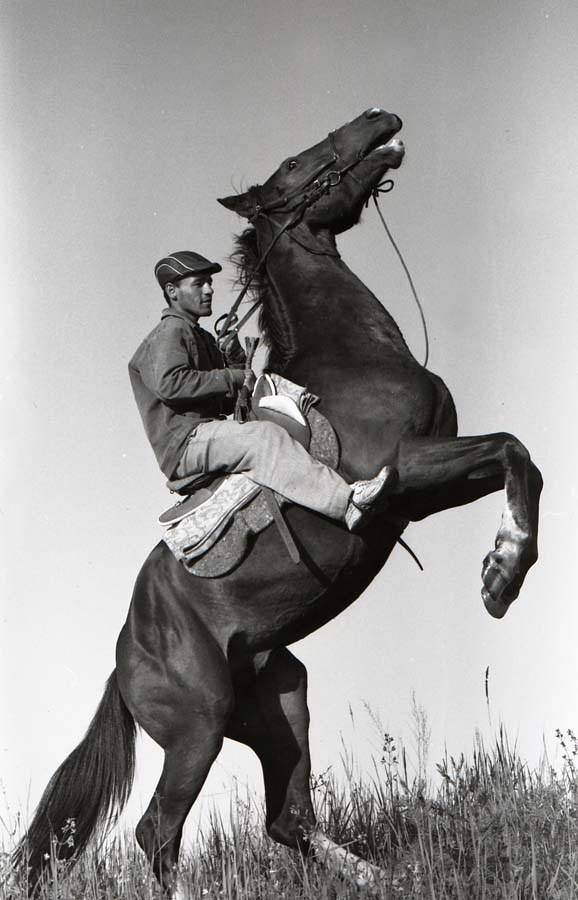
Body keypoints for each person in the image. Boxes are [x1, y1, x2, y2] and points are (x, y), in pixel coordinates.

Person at [129, 250, 394, 531]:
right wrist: (231, 375)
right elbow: (171, 384)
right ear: (172, 291)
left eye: (210, 283)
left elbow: (226, 402)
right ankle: (346, 503)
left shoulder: (200, 336)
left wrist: (234, 361)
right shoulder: (170, 331)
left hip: (204, 435)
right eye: (198, 284)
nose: (209, 290)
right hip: (186, 444)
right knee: (263, 437)